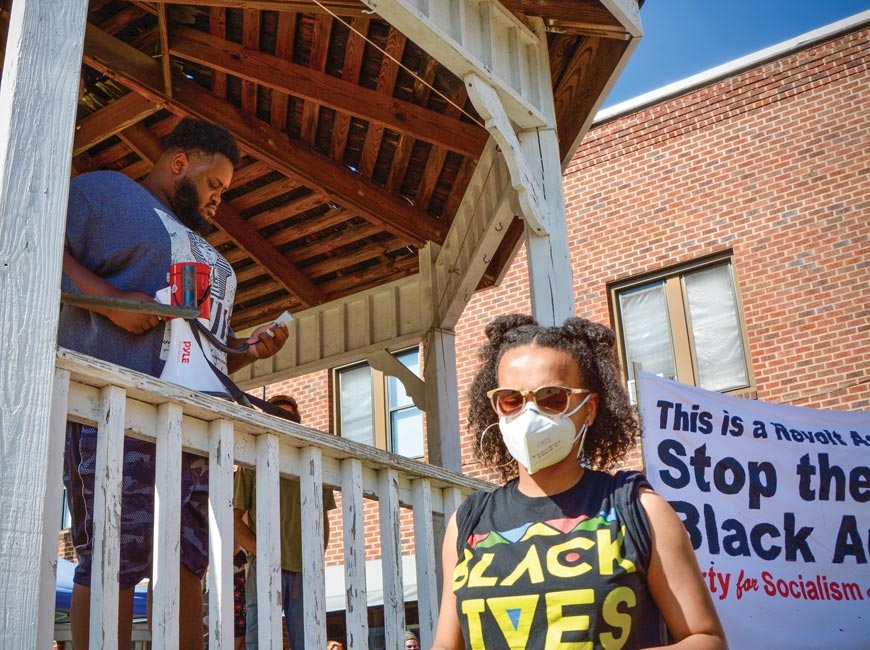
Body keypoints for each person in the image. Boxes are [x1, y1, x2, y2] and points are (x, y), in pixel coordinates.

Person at [61, 117, 289, 650]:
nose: (218, 201)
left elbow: (197, 352)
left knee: (190, 558)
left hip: (195, 430)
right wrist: (109, 303)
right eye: (214, 185)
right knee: (116, 551)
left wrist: (246, 352)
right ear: (179, 162)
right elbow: (30, 246)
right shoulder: (105, 191)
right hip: (115, 410)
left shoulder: (203, 246)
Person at [431, 315, 727, 650]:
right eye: (511, 399)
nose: (529, 414)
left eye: (552, 397)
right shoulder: (467, 522)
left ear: (589, 408)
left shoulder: (638, 510)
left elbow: (706, 640)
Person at [233, 394, 337, 649]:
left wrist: (315, 559)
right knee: (261, 639)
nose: (282, 421)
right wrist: (260, 551)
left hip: (304, 569)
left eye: (288, 417)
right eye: (276, 415)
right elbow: (234, 518)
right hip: (264, 567)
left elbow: (322, 520)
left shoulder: (313, 463)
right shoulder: (251, 463)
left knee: (307, 641)